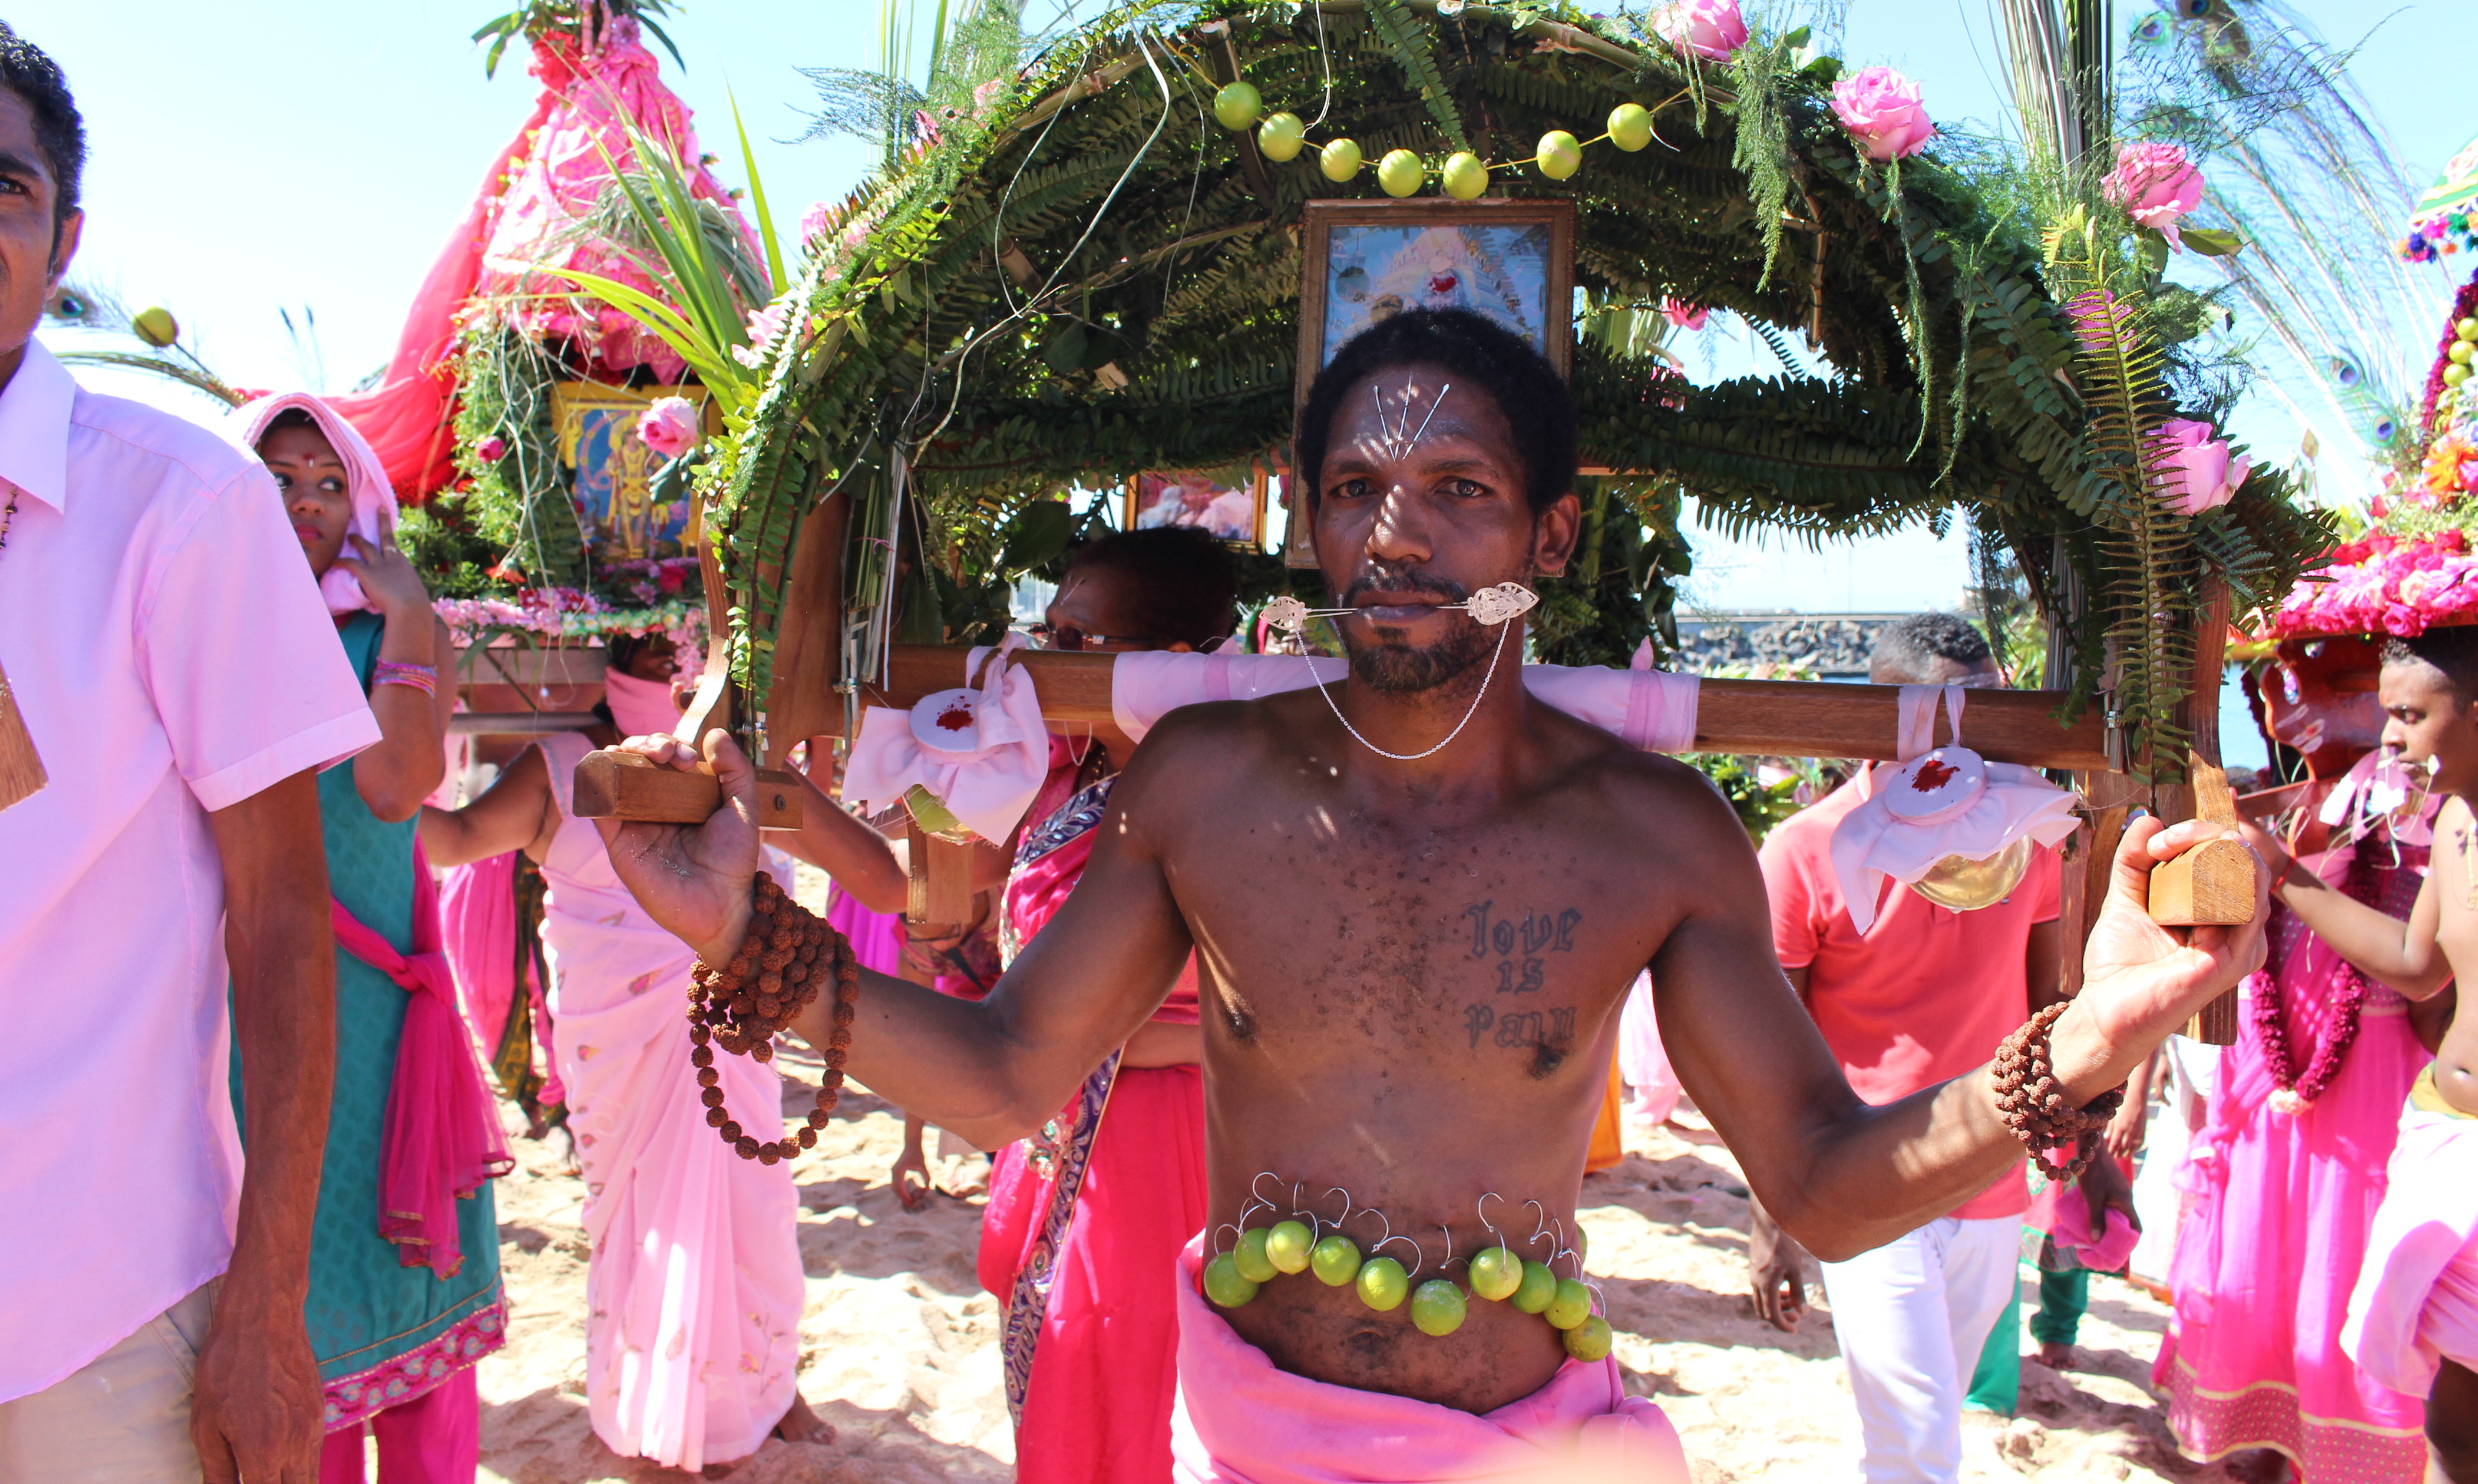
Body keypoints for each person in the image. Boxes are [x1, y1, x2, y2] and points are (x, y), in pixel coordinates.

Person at [599, 306, 2264, 1480]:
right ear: (1311, 532)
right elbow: (1000, 1075)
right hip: (1246, 1435)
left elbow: (1824, 1190)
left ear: (1544, 534)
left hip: (1523, 1453)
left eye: (1457, 491)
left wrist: (2088, 1040)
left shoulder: (1651, 834)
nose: (1396, 535)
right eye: (1351, 493)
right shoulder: (1207, 789)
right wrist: (740, 933)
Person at [0, 23, 380, 1482]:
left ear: (65, 234)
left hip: (105, 1308)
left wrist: (268, 1313)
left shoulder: (179, 508)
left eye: (8, 188)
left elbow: (283, 921)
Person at [417, 632, 836, 1471]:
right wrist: (343, 785)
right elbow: (455, 840)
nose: (665, 664)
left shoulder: (737, 771)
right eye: (646, 647)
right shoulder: (565, 764)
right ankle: (647, 1396)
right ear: (608, 659)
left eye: (679, 646)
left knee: (753, 1205)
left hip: (730, 1031)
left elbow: (862, 877)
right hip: (616, 1043)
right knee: (634, 1218)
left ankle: (769, 1385)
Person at [1743, 612, 2133, 1484]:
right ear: (1888, 717)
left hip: (1993, 1174)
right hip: (1861, 1178)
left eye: (1992, 716)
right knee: (1918, 1444)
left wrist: (2091, 1148)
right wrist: (1773, 1218)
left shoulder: (2026, 832)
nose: (1978, 740)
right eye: (1959, 716)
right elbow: (1772, 1053)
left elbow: (2050, 1007)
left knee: (1932, 1422)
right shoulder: (1805, 851)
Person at [235, 394, 508, 1480]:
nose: (304, 501)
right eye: (276, 479)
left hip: (378, 1006)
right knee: (279, 1274)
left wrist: (402, 617)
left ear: (363, 500)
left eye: (326, 480)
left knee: (401, 1271)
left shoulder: (393, 631)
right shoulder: (200, 622)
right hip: (243, 997)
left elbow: (399, 790)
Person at [977, 526, 1230, 1484]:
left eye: (1076, 642)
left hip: (1151, 1145)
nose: (1048, 660)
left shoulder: (1219, 798)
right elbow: (906, 886)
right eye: (1048, 633)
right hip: (1048, 1111)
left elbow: (1270, 1012)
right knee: (1057, 1375)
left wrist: (1086, 1043)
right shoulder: (1055, 772)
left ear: (1163, 666)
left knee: (1118, 1378)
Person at [2170, 637, 2448, 1483]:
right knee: (2260, 1300)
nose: (2285, 700)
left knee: (2347, 1298)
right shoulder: (2289, 804)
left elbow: (2419, 967)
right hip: (2267, 1094)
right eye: (2270, 679)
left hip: (2375, 1102)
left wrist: (2282, 866)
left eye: (2338, 682)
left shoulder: (2426, 811)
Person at [2236, 629, 2478, 1484]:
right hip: (2448, 1141)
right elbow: (2417, 969)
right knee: (2455, 1422)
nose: (2389, 737)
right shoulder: (2454, 822)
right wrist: (2275, 865)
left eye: (2410, 716)